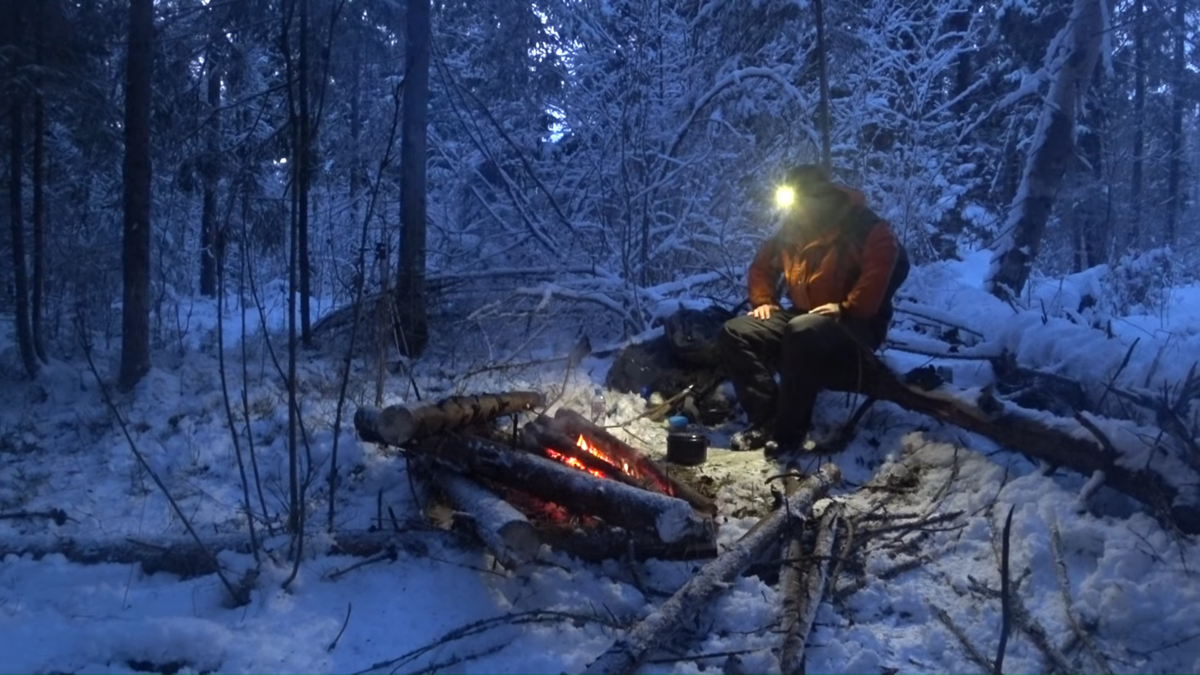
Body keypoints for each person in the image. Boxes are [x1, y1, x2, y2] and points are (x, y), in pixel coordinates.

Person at [720, 165, 903, 456]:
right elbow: (761, 266)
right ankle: (766, 418)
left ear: (820, 197)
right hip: (805, 315)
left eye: (804, 202)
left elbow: (884, 268)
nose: (798, 210)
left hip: (855, 323)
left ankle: (787, 435)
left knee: (801, 331)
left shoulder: (864, 226)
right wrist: (765, 300)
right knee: (736, 332)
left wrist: (846, 307)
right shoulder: (793, 228)